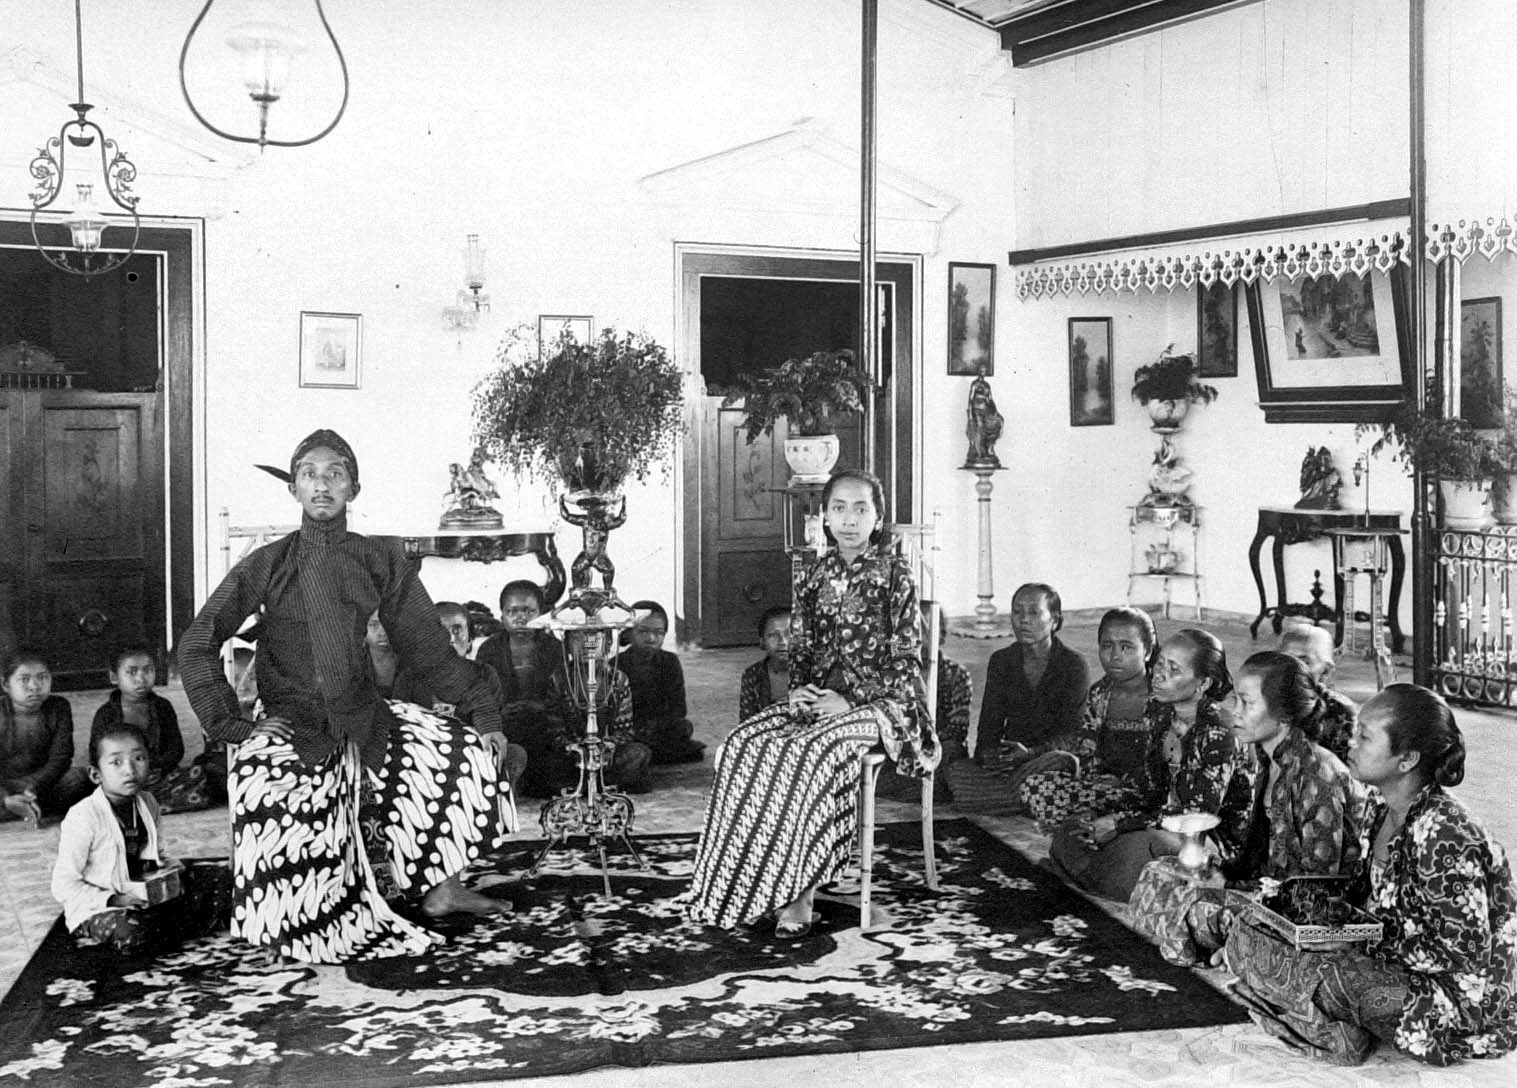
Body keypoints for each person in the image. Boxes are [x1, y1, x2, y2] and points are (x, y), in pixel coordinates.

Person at [177, 428, 517, 964]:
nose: (321, 485)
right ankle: (300, 915)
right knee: (263, 784)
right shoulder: (266, 563)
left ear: (353, 488)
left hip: (364, 713)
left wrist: (485, 711)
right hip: (293, 722)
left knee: (463, 752)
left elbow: (428, 650)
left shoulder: (380, 558)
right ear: (294, 488)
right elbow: (197, 643)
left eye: (334, 474)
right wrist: (234, 725)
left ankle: (442, 889)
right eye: (309, 474)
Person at [688, 469, 938, 938]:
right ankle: (744, 885)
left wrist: (850, 700)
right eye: (839, 508)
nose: (849, 519)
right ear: (825, 517)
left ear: (878, 518)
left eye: (861, 509)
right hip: (822, 700)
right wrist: (800, 688)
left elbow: (907, 661)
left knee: (808, 753)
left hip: (888, 706)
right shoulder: (814, 575)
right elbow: (802, 649)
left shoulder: (895, 575)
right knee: (745, 743)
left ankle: (800, 892)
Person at [1224, 684, 1517, 1067]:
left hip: (1452, 997)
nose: (1351, 742)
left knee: (1329, 974)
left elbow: (1462, 951)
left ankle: (1321, 1025)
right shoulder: (1381, 807)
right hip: (1389, 962)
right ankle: (1322, 1023)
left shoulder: (1446, 835)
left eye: (1365, 736)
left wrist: (1360, 946)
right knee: (1249, 927)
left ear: (1407, 759)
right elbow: (1366, 898)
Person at [1130, 651, 1364, 965]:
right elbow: (1258, 854)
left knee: (1197, 907)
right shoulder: (1269, 758)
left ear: (1283, 715)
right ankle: (1224, 946)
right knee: (1158, 873)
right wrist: (1224, 874)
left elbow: (1315, 890)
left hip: (1308, 914)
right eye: (1235, 701)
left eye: (1246, 703)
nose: (1234, 711)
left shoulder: (1317, 775)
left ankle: (1235, 948)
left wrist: (1231, 887)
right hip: (1269, 890)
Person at [1049, 628, 1255, 901]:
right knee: (1075, 825)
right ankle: (1114, 879)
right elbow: (1149, 790)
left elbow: (1195, 817)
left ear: (1203, 683)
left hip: (1209, 841)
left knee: (1145, 847)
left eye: (1174, 669)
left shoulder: (1220, 732)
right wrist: (1107, 812)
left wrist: (1121, 825)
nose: (1159, 675)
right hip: (1161, 820)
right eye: (1159, 663)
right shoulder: (1159, 711)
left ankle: (1102, 876)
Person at [50, 723, 230, 954]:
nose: (130, 770)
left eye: (139, 758)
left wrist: (166, 867)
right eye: (116, 762)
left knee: (219, 877)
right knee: (133, 931)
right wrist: (115, 900)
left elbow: (150, 855)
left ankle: (173, 926)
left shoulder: (148, 803)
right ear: (96, 774)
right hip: (103, 907)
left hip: (143, 896)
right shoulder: (83, 816)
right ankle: (179, 926)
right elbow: (63, 885)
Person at [949, 583, 1090, 814]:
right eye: (1017, 612)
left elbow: (1073, 735)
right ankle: (1025, 798)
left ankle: (1006, 798)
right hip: (1011, 763)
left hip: (1046, 759)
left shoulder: (1073, 664)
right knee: (956, 769)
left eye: (1034, 612)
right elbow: (988, 728)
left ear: (1055, 620)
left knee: (1064, 761)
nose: (1023, 620)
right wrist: (990, 756)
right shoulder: (1002, 661)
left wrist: (1031, 754)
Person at [1021, 607, 1158, 829]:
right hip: (1104, 790)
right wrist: (1095, 778)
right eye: (1106, 646)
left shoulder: (1161, 697)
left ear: (1148, 651)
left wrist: (1125, 781)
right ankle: (1090, 822)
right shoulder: (1099, 693)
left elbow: (1165, 764)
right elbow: (1087, 748)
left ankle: (1091, 824)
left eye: (1126, 647)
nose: (1115, 656)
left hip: (1147, 793)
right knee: (1034, 785)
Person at [392, 601, 529, 796]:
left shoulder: (485, 674)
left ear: (470, 640)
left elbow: (493, 720)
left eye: (457, 630)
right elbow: (401, 724)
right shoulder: (409, 677)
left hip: (471, 752)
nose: (449, 638)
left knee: (514, 754)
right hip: (424, 756)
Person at [475, 580, 570, 796]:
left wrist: (541, 706)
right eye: (513, 611)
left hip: (545, 725)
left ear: (542, 614)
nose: (521, 617)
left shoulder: (553, 647)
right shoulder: (489, 649)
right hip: (505, 724)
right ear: (502, 616)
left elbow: (564, 692)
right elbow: (482, 693)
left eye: (529, 611)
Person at [877, 607, 972, 803]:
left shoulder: (955, 674)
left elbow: (957, 732)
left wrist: (924, 745)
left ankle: (918, 787)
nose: (915, 638)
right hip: (904, 752)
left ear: (942, 635)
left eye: (923, 631)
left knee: (952, 755)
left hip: (939, 753)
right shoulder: (895, 675)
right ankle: (914, 787)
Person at [547, 631, 652, 793]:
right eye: (576, 638)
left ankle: (590, 786)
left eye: (594, 638)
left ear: (607, 643)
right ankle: (593, 785)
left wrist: (607, 746)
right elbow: (555, 729)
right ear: (566, 644)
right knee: (547, 762)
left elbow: (625, 731)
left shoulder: (617, 679)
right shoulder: (559, 679)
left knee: (639, 753)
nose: (586, 645)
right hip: (573, 757)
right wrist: (574, 748)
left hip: (607, 757)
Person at [621, 600, 705, 764]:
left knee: (684, 727)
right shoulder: (617, 664)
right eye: (643, 631)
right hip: (628, 730)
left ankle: (650, 755)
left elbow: (679, 709)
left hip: (659, 729)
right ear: (629, 634)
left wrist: (655, 726)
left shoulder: (670, 662)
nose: (651, 638)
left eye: (658, 632)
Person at [0, 648, 74, 822]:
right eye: (24, 679)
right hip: (3, 784)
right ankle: (15, 805)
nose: (34, 686)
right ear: (5, 685)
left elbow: (61, 758)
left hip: (41, 784)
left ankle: (20, 807)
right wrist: (4, 797)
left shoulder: (59, 707)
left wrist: (32, 787)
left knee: (80, 779)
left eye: (42, 677)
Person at [1279, 623, 1357, 762]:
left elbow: (1343, 770)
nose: (1292, 668)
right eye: (1286, 659)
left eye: (1305, 662)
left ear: (1326, 671)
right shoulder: (1263, 698)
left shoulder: (1340, 711)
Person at [738, 606, 792, 721]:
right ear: (762, 642)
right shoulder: (752, 675)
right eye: (773, 635)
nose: (782, 641)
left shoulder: (812, 673)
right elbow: (746, 721)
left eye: (789, 634)